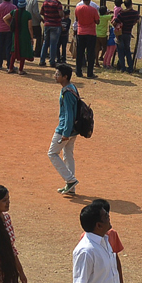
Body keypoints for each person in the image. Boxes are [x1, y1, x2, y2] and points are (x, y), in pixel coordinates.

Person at [72, 202, 121, 283]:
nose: (109, 218)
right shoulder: (86, 251)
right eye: (106, 216)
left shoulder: (105, 241)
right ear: (99, 225)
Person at [48, 63, 80, 196]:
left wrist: (65, 133)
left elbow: (69, 114)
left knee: (52, 153)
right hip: (74, 129)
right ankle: (70, 187)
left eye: (58, 74)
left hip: (65, 129)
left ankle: (70, 180)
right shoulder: (72, 88)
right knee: (68, 155)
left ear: (65, 77)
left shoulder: (67, 92)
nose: (55, 76)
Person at [74, 0, 100, 80]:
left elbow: (77, 19)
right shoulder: (93, 10)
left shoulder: (78, 8)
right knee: (90, 53)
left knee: (80, 53)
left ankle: (78, 71)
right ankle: (90, 73)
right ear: (89, 0)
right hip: (91, 33)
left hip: (80, 32)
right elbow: (97, 21)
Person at [39, 0, 64, 68]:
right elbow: (60, 14)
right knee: (53, 44)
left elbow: (41, 12)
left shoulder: (45, 2)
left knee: (45, 42)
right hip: (55, 25)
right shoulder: (58, 3)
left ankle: (42, 60)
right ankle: (52, 61)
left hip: (47, 24)